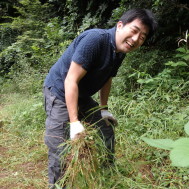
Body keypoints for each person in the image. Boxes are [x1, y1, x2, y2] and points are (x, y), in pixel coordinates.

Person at [43, 8, 157, 188]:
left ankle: (108, 173)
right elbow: (70, 80)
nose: (135, 39)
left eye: (142, 37)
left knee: (106, 129)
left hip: (82, 94)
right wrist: (74, 122)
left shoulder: (120, 51)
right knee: (60, 146)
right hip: (60, 90)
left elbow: (107, 78)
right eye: (134, 31)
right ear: (120, 25)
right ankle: (57, 186)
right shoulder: (95, 40)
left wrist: (103, 109)